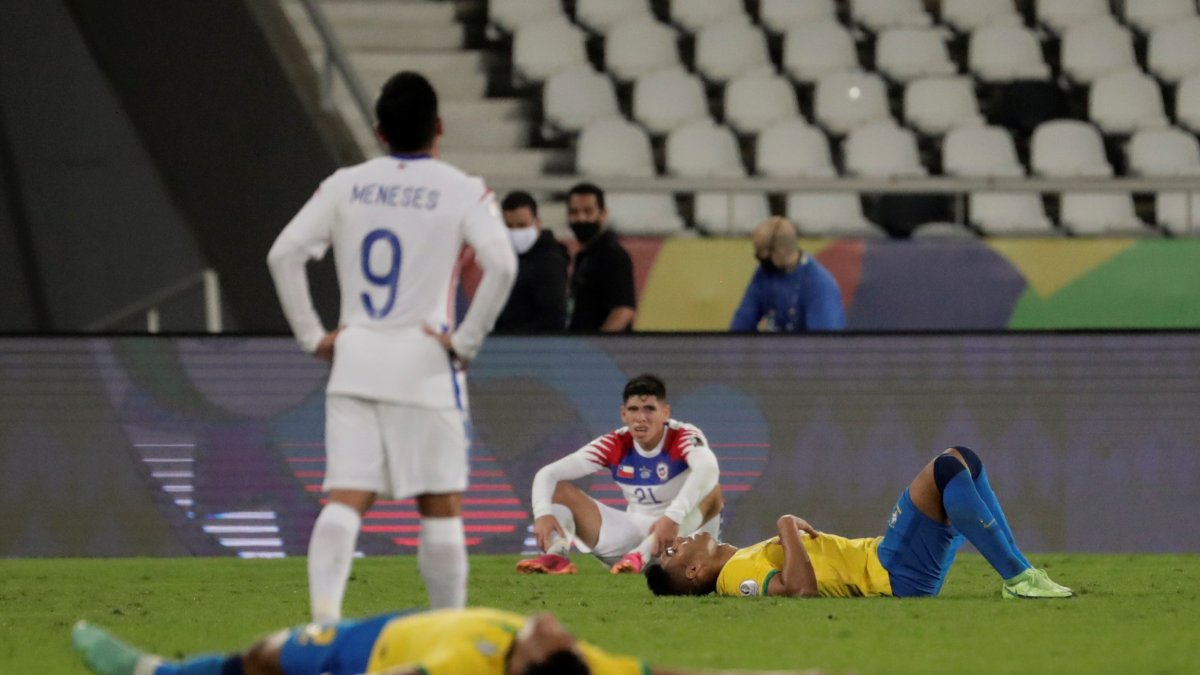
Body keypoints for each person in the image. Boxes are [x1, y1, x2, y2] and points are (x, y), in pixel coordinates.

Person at [266, 71, 517, 620]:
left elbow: (282, 255)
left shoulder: (343, 185)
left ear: (378, 131)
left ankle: (324, 626)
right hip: (426, 363)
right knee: (440, 504)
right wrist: (465, 343)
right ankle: (447, 632)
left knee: (347, 497)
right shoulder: (462, 188)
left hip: (356, 361)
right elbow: (502, 263)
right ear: (440, 126)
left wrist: (313, 336)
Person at [645, 446, 1073, 600]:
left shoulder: (741, 560)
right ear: (695, 571)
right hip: (890, 574)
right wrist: (786, 524)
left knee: (964, 464)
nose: (678, 539)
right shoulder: (735, 577)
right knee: (946, 469)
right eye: (673, 552)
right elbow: (800, 590)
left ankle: (1022, 573)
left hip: (888, 563)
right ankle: (1020, 579)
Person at [71, 607, 692, 675]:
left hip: (367, 647)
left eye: (551, 635)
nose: (554, 623)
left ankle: (152, 673)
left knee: (262, 656)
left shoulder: (458, 666)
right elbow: (653, 672)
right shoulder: (584, 665)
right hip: (392, 629)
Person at [517, 374, 724, 576]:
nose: (640, 417)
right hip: (630, 542)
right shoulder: (614, 443)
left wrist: (672, 517)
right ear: (623, 414)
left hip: (683, 549)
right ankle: (556, 556)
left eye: (649, 409)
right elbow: (548, 473)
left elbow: (709, 468)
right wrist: (542, 513)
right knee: (560, 491)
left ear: (665, 412)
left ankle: (639, 556)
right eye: (633, 410)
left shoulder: (683, 436)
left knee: (713, 493)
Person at [729, 217, 844, 333]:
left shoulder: (819, 285)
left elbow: (823, 344)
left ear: (779, 251)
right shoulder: (765, 274)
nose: (758, 258)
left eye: (760, 252)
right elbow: (740, 326)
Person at [565, 182, 637, 333]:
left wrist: (597, 349)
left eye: (588, 211)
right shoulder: (584, 257)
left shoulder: (614, 256)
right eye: (574, 212)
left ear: (603, 214)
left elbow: (623, 311)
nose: (580, 218)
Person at [494, 191, 569, 333]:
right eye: (509, 226)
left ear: (537, 223)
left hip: (531, 347)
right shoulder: (508, 256)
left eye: (522, 225)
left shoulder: (549, 261)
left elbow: (553, 320)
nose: (515, 232)